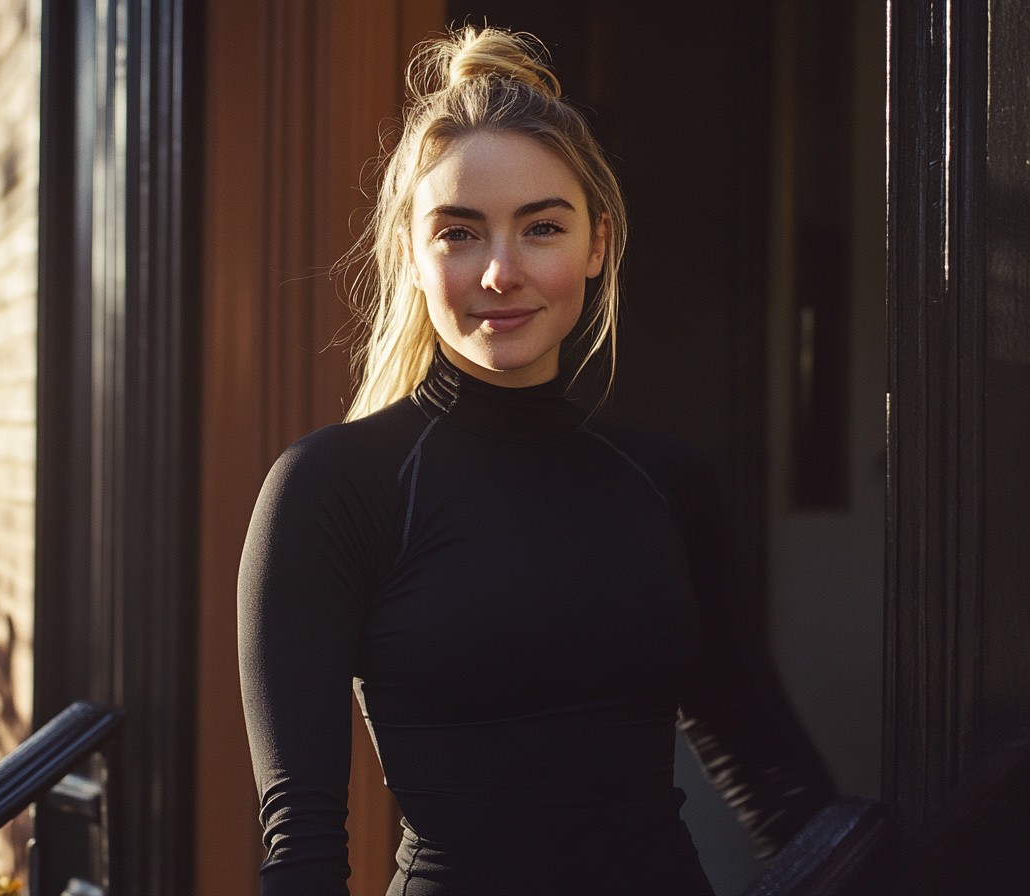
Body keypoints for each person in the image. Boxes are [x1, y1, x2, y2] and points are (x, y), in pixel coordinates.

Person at [238, 26, 837, 896]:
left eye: (541, 228)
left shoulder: (669, 485)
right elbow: (302, 847)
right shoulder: (333, 487)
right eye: (460, 233)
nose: (501, 272)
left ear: (596, 245)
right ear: (413, 254)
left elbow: (775, 779)